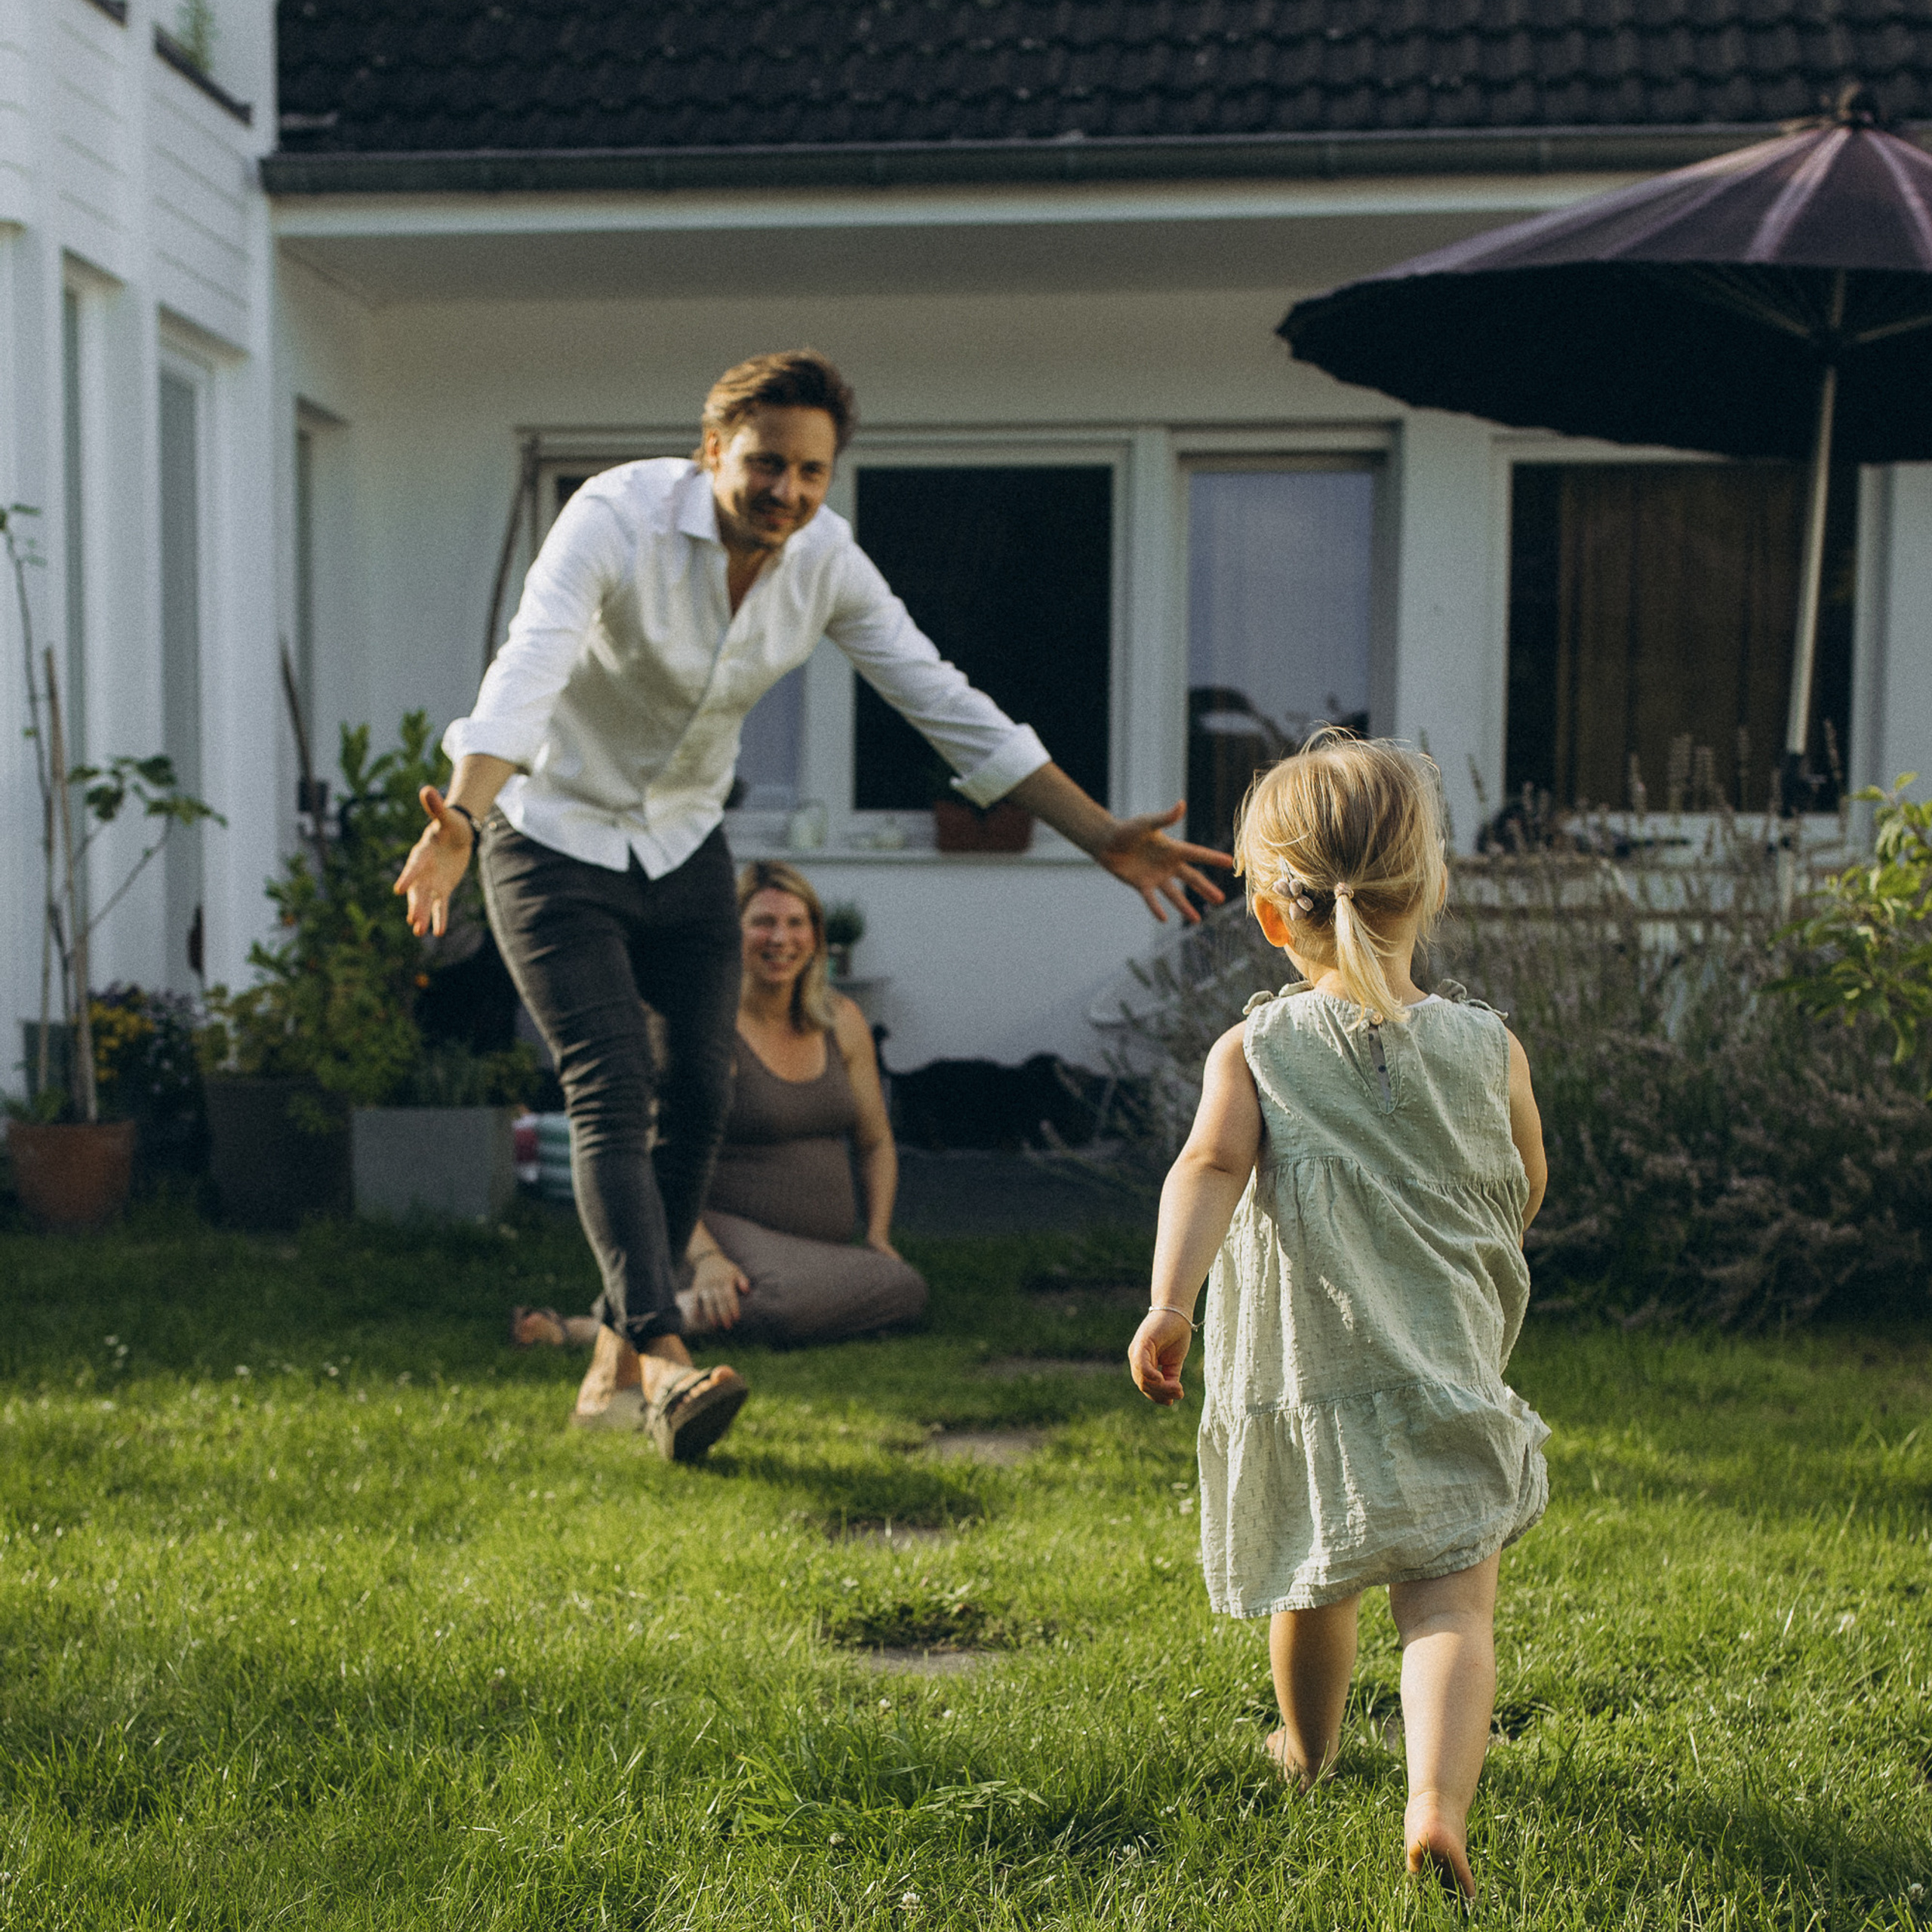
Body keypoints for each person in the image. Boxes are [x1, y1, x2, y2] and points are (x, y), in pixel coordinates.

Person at [396, 348, 1229, 1461]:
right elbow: (527, 670)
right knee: (612, 1082)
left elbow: (943, 700)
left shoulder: (823, 561)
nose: (785, 492)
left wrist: (1096, 832)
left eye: (810, 472)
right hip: (550, 835)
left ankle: (612, 1356)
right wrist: (462, 815)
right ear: (711, 454)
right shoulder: (616, 518)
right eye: (764, 465)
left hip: (684, 836)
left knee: (701, 1086)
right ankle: (663, 1360)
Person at [1127, 728, 1549, 1900]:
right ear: (1427, 892)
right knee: (1452, 1598)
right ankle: (1435, 1804)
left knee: (1315, 1579)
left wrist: (1172, 1301)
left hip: (1311, 1376)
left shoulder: (1256, 1051)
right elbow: (1523, 1183)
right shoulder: (1487, 1046)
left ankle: (1308, 1753)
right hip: (1445, 1361)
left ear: (1271, 914)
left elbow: (1207, 1170)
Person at [513, 859, 926, 1351]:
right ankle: (593, 1332)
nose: (781, 939)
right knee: (780, 1299)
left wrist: (878, 1235)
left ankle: (646, 1320)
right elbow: (652, 1154)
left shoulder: (842, 1020)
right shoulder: (701, 1024)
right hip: (718, 1234)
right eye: (763, 923)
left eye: (797, 923)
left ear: (816, 936)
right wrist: (707, 1258)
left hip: (819, 1251)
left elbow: (875, 1141)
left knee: (903, 1285)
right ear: (732, 933)